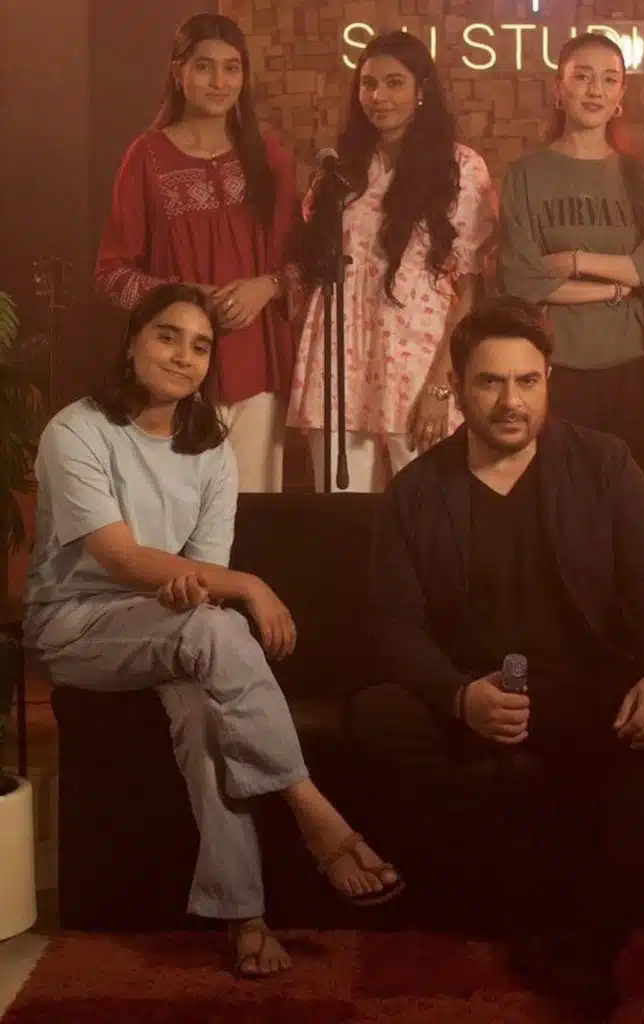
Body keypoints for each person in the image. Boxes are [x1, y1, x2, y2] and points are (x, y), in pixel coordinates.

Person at [21, 284, 403, 979]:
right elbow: (121, 559)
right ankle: (312, 808)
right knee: (219, 628)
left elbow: (201, 572)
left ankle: (243, 915)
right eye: (167, 336)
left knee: (205, 711)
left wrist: (195, 589)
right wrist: (249, 586)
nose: (183, 356)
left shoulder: (212, 451)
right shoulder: (75, 431)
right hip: (75, 626)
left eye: (201, 346)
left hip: (167, 624)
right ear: (132, 343)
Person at [344, 295, 644, 1019]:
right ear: (458, 387)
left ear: (548, 382)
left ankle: (571, 935)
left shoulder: (604, 463)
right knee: (377, 717)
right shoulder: (417, 490)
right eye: (491, 382)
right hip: (471, 698)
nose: (511, 401)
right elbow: (392, 626)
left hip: (584, 694)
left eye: (527, 381)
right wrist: (459, 698)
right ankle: (550, 908)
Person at [95, 13, 300, 493]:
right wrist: (186, 295)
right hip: (173, 370)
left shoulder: (268, 156)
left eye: (232, 68)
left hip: (256, 366)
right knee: (175, 511)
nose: (219, 81)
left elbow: (304, 265)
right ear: (177, 72)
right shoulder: (146, 157)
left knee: (252, 512)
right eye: (204, 66)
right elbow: (111, 276)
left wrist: (267, 287)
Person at [290, 30, 496, 492]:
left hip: (418, 363)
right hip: (341, 360)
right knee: (340, 509)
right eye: (368, 84)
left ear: (421, 90)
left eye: (393, 83)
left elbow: (468, 290)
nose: (378, 96)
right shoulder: (343, 168)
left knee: (427, 509)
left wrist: (442, 383)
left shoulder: (460, 167)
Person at [497, 33, 644, 489]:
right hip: (559, 366)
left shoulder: (640, 176)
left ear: (620, 96)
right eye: (582, 77)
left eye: (609, 80)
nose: (595, 90)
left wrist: (575, 261)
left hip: (635, 365)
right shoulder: (526, 176)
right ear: (559, 89)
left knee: (636, 499)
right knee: (562, 496)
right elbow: (521, 281)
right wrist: (618, 285)